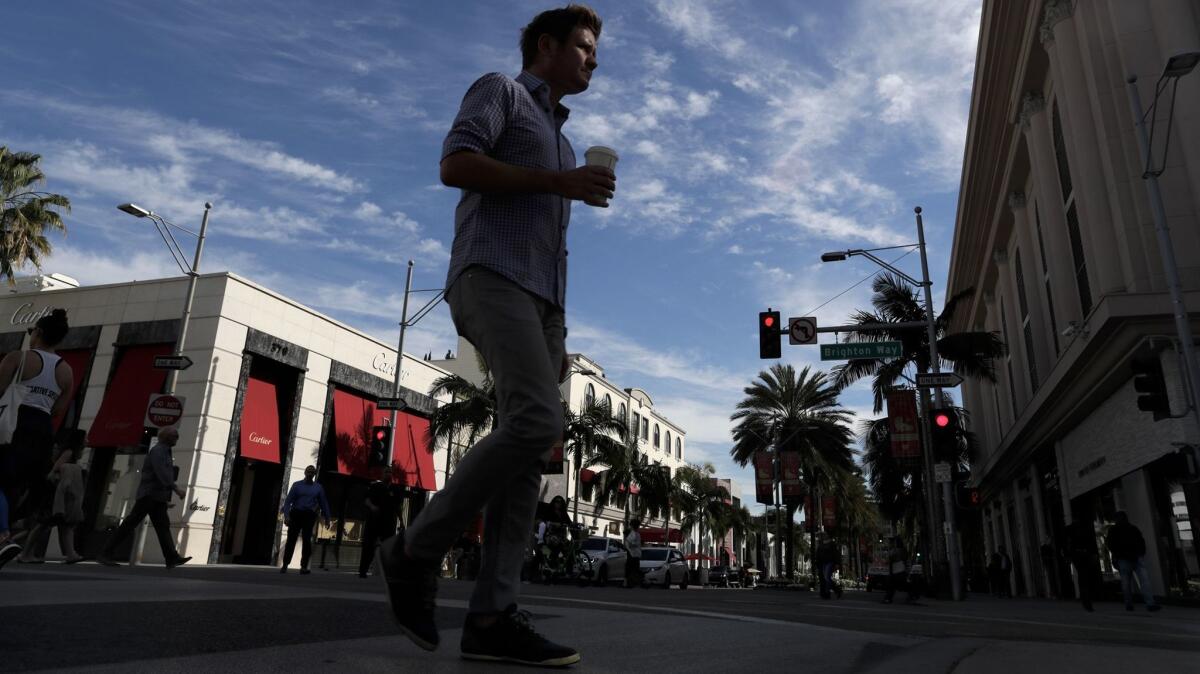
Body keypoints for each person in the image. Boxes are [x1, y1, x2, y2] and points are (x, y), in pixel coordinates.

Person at [376, 5, 611, 667]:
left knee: (528, 453)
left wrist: (558, 330)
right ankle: (413, 551)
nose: (594, 60)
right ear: (547, 44)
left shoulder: (565, 143)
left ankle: (492, 617)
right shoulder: (499, 91)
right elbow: (456, 164)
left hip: (540, 303)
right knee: (536, 422)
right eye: (585, 47)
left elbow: (554, 247)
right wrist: (557, 182)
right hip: (489, 273)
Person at [0, 309, 75, 551]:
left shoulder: (18, 358)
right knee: (16, 485)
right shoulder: (67, 371)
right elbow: (58, 409)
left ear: (39, 332)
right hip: (41, 429)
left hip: (13, 423)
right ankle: (6, 531)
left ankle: (3, 535)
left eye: (32, 331)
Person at [97, 427, 190, 568]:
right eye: (174, 436)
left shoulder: (164, 451)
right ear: (166, 437)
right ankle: (105, 553)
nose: (177, 438)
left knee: (161, 526)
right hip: (149, 495)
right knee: (131, 524)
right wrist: (176, 489)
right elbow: (162, 473)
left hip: (156, 496)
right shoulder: (159, 451)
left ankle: (172, 557)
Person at [18, 430, 86, 563]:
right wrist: (65, 478)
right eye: (85, 438)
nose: (87, 441)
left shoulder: (71, 453)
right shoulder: (69, 452)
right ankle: (25, 554)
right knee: (44, 524)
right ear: (79, 440)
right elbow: (54, 471)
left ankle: (71, 554)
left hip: (60, 495)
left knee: (65, 525)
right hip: (56, 496)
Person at [280, 465, 331, 575]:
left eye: (312, 472)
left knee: (307, 540)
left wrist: (327, 518)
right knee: (291, 540)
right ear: (305, 472)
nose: (310, 473)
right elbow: (288, 502)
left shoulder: (318, 488)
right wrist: (287, 516)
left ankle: (303, 566)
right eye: (308, 471)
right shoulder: (297, 485)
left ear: (314, 474)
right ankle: (285, 564)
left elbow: (324, 503)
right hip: (296, 514)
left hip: (309, 515)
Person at [1106, 511, 1162, 612]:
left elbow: (1110, 544)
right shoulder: (1133, 529)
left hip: (1123, 558)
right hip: (1136, 557)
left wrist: (1116, 555)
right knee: (1144, 581)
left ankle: (1129, 604)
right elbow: (1141, 541)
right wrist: (1140, 553)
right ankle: (1150, 603)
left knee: (1126, 583)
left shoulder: (1113, 530)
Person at [359, 466, 399, 578]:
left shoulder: (395, 489)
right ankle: (363, 571)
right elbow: (366, 499)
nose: (389, 474)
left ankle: (387, 572)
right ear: (382, 474)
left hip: (389, 523)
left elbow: (398, 506)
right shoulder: (375, 486)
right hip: (374, 521)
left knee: (388, 547)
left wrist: (401, 521)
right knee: (368, 547)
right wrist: (372, 507)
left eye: (390, 472)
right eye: (386, 472)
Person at [1065, 519, 1100, 612]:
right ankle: (1087, 599)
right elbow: (1091, 542)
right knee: (1085, 576)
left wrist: (1068, 555)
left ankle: (1086, 599)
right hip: (1083, 554)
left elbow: (1067, 543)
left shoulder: (1070, 530)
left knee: (1083, 577)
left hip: (1077, 555)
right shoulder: (1085, 530)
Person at [882, 536, 911, 604]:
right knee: (901, 585)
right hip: (901, 570)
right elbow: (906, 560)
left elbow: (890, 559)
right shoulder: (903, 550)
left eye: (894, 542)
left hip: (897, 571)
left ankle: (888, 598)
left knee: (892, 585)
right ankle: (911, 596)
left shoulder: (896, 551)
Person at [816, 534, 842, 599]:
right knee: (824, 578)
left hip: (829, 562)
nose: (823, 536)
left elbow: (836, 554)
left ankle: (829, 592)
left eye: (825, 535)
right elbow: (818, 554)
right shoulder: (821, 544)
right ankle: (834, 591)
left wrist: (837, 563)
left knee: (826, 577)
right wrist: (817, 562)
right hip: (823, 563)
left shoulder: (832, 544)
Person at [624, 519, 642, 588]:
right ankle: (631, 582)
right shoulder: (636, 534)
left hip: (632, 554)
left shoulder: (634, 534)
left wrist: (629, 544)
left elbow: (632, 543)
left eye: (630, 525)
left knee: (630, 568)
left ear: (632, 526)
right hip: (635, 554)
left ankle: (628, 583)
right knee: (634, 569)